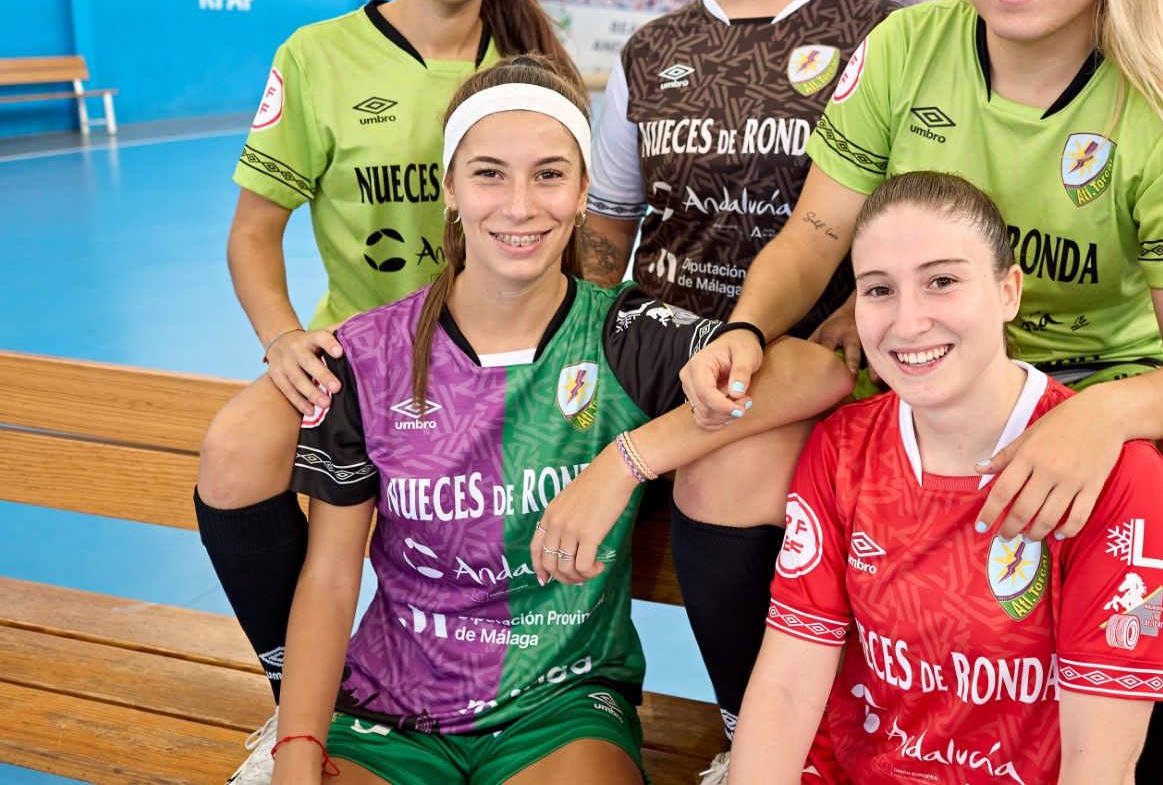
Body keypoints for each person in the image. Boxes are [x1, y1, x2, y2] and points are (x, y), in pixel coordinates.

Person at [682, 0, 1163, 784]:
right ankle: (757, 744)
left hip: (1098, 394)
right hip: (928, 373)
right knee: (723, 468)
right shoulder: (902, 51)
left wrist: (1099, 421)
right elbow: (815, 232)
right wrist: (750, 327)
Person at [255, 58, 850, 783]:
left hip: (562, 705)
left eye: (547, 175)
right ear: (449, 189)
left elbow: (819, 372)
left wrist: (626, 458)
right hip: (387, 711)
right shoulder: (368, 354)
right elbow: (329, 576)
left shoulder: (624, 334)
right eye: (488, 174)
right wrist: (295, 749)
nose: (519, 206)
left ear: (582, 195)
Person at [194, 0, 576, 778]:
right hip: (356, 362)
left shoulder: (531, 68)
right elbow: (252, 233)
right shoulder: (318, 56)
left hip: (495, 364)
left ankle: (521, 698)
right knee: (235, 452)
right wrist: (284, 338)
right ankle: (298, 705)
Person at [576, 0, 897, 761]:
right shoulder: (651, 49)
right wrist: (564, 356)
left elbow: (900, 219)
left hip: (798, 378)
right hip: (655, 352)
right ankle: (529, 704)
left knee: (728, 477)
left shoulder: (878, 36)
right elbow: (609, 231)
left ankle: (756, 741)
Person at [731, 171, 1163, 784]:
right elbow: (787, 687)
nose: (908, 322)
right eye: (879, 290)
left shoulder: (1116, 477)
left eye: (941, 281)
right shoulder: (843, 447)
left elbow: (1098, 763)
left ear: (1008, 292)